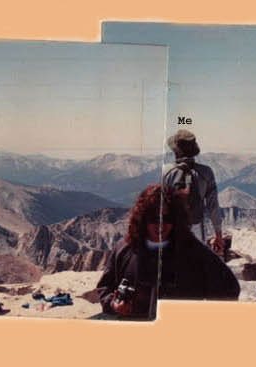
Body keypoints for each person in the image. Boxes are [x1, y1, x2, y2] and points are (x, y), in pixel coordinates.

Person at [92, 184, 240, 320]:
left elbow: (229, 288)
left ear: (176, 219)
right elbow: (105, 286)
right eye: (154, 219)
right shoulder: (125, 248)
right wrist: (113, 304)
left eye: (167, 218)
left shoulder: (194, 252)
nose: (161, 227)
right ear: (142, 219)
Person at [159, 129, 227, 257]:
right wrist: (218, 235)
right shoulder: (206, 172)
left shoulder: (165, 171)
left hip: (172, 228)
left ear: (175, 151)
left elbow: (160, 204)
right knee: (196, 262)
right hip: (196, 225)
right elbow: (213, 206)